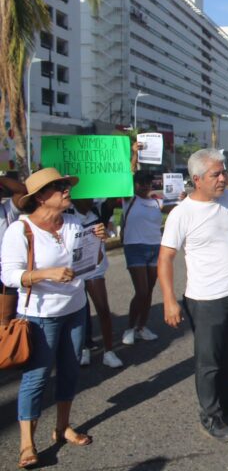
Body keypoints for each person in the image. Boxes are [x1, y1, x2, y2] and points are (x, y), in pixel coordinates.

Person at [158, 149, 228, 443]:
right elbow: (165, 257)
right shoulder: (182, 213)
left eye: (223, 172)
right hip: (204, 300)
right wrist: (169, 300)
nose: (222, 179)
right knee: (209, 362)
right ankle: (211, 413)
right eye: (215, 175)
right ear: (196, 179)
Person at [1, 168, 106, 468]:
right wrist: (46, 274)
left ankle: (62, 428)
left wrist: (97, 241)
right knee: (36, 379)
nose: (65, 190)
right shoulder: (20, 231)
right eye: (58, 186)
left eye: (64, 185)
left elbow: (92, 263)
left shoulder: (75, 222)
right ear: (40, 197)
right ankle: (26, 443)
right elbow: (9, 275)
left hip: (74, 310)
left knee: (71, 372)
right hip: (39, 316)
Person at [121, 170, 179, 346]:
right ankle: (129, 328)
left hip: (155, 248)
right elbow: (125, 177)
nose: (144, 185)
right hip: (135, 248)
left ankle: (141, 327)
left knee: (149, 292)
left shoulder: (156, 201)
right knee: (142, 291)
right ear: (134, 183)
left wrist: (180, 196)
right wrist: (135, 156)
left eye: (147, 181)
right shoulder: (129, 199)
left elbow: (174, 206)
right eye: (140, 182)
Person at [69, 198, 123, 368]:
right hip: (74, 271)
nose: (90, 198)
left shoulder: (99, 210)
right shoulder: (66, 214)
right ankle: (84, 348)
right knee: (80, 313)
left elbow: (117, 195)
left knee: (103, 309)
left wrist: (128, 173)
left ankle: (109, 351)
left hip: (95, 269)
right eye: (86, 196)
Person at [0, 174, 26, 326]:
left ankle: (5, 348)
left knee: (5, 319)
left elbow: (23, 191)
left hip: (4, 267)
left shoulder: (7, 210)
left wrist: (1, 179)